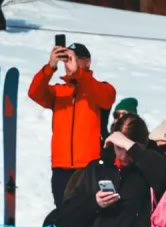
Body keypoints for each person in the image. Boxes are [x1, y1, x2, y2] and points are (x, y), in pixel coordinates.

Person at [28, 42, 116, 207]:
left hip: (89, 167)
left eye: (73, 58)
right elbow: (34, 92)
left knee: (88, 215)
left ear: (87, 62)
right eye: (66, 59)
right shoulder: (59, 91)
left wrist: (80, 73)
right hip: (61, 167)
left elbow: (107, 98)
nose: (68, 63)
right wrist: (50, 66)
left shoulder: (100, 88)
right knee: (63, 215)